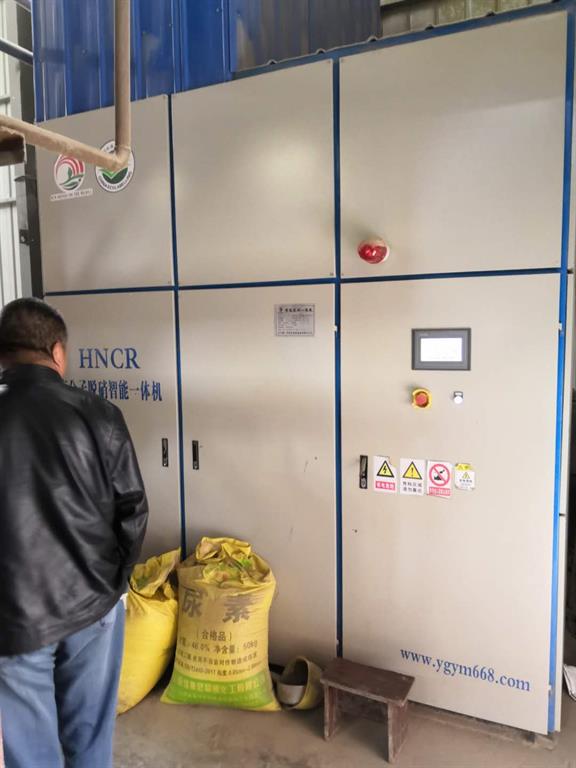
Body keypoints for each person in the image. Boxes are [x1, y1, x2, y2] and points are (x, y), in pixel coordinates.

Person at [0, 298, 148, 768]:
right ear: (58, 352)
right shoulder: (99, 414)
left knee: (30, 753)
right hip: (93, 604)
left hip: (15, 619)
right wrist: (117, 582)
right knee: (90, 739)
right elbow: (133, 509)